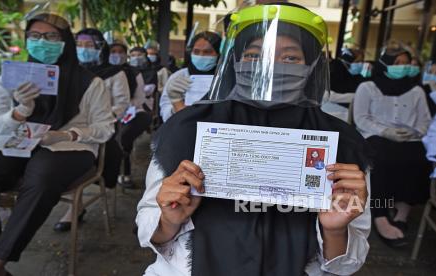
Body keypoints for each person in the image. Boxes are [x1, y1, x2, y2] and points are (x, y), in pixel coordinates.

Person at [137, 3, 370, 275]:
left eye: (291, 58)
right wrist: (168, 219)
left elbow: (347, 263)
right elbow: (148, 227)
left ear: (312, 66)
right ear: (234, 61)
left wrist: (335, 230)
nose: (269, 67)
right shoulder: (188, 129)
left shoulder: (341, 144)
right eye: (253, 55)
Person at [0, 13, 114, 276]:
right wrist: (20, 112)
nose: (41, 42)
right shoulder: (11, 77)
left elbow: (106, 127)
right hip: (16, 140)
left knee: (41, 177)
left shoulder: (90, 82)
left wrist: (67, 135)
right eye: (34, 36)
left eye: (51, 37)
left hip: (68, 148)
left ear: (65, 41)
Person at [354, 42, 432, 247]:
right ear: (385, 63)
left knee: (419, 161)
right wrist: (385, 131)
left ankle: (402, 212)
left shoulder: (416, 90)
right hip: (375, 134)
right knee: (382, 160)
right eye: (397, 63)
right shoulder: (368, 87)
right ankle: (379, 214)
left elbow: (425, 119)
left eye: (406, 64)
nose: (403, 67)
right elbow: (361, 118)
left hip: (409, 137)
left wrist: (414, 132)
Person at [53, 28, 131, 232]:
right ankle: (74, 205)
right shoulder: (67, 72)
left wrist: (98, 119)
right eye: (79, 45)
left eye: (89, 46)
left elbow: (122, 105)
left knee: (78, 152)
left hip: (102, 128)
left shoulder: (115, 73)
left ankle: (74, 207)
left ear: (100, 49)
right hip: (66, 129)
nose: (83, 50)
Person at [109, 43, 152, 188]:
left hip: (134, 111)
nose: (117, 55)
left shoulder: (134, 72)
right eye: (113, 51)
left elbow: (140, 98)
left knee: (124, 136)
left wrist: (124, 109)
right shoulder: (102, 72)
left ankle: (124, 173)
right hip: (107, 114)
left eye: (120, 52)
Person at [159, 31, 221, 122]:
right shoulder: (179, 76)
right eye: (196, 51)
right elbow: (165, 112)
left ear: (218, 53)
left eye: (207, 52)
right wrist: (175, 103)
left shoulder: (225, 77)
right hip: (183, 128)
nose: (201, 56)